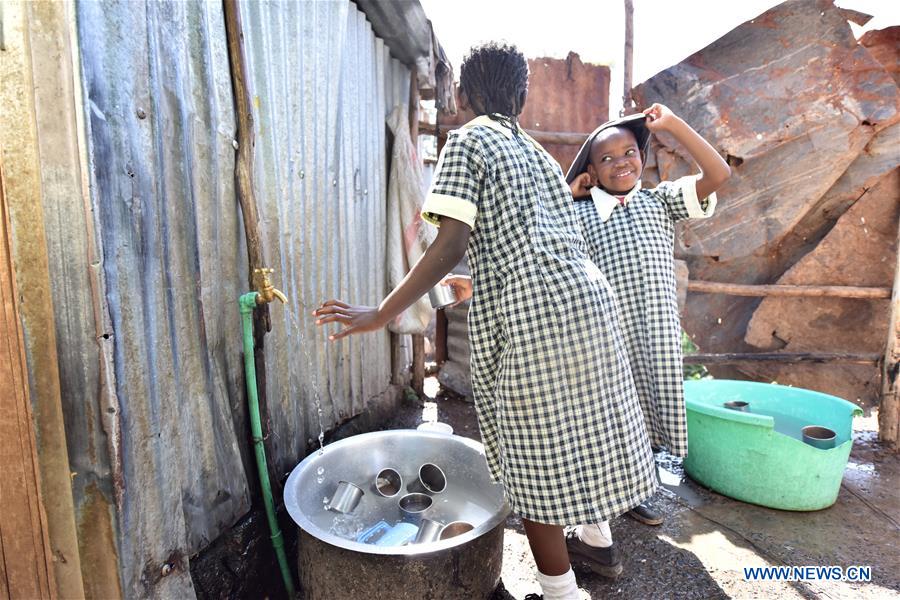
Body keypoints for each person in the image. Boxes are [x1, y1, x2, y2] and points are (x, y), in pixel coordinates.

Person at [314, 42, 657, 599]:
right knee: (580, 431)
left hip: (535, 319)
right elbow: (528, 243)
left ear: (463, 94)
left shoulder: (469, 140)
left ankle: (560, 591)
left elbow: (450, 244)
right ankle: (596, 539)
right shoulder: (539, 154)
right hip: (588, 303)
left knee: (532, 455)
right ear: (522, 97)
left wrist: (384, 311)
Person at [565, 106, 731, 525]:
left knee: (650, 414)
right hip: (605, 338)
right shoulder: (579, 215)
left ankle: (635, 491)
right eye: (606, 158)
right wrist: (570, 192)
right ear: (591, 170)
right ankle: (609, 497)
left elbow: (718, 174)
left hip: (655, 334)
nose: (620, 163)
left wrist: (674, 125)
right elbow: (540, 225)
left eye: (628, 152)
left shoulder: (661, 202)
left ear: (642, 154)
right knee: (609, 417)